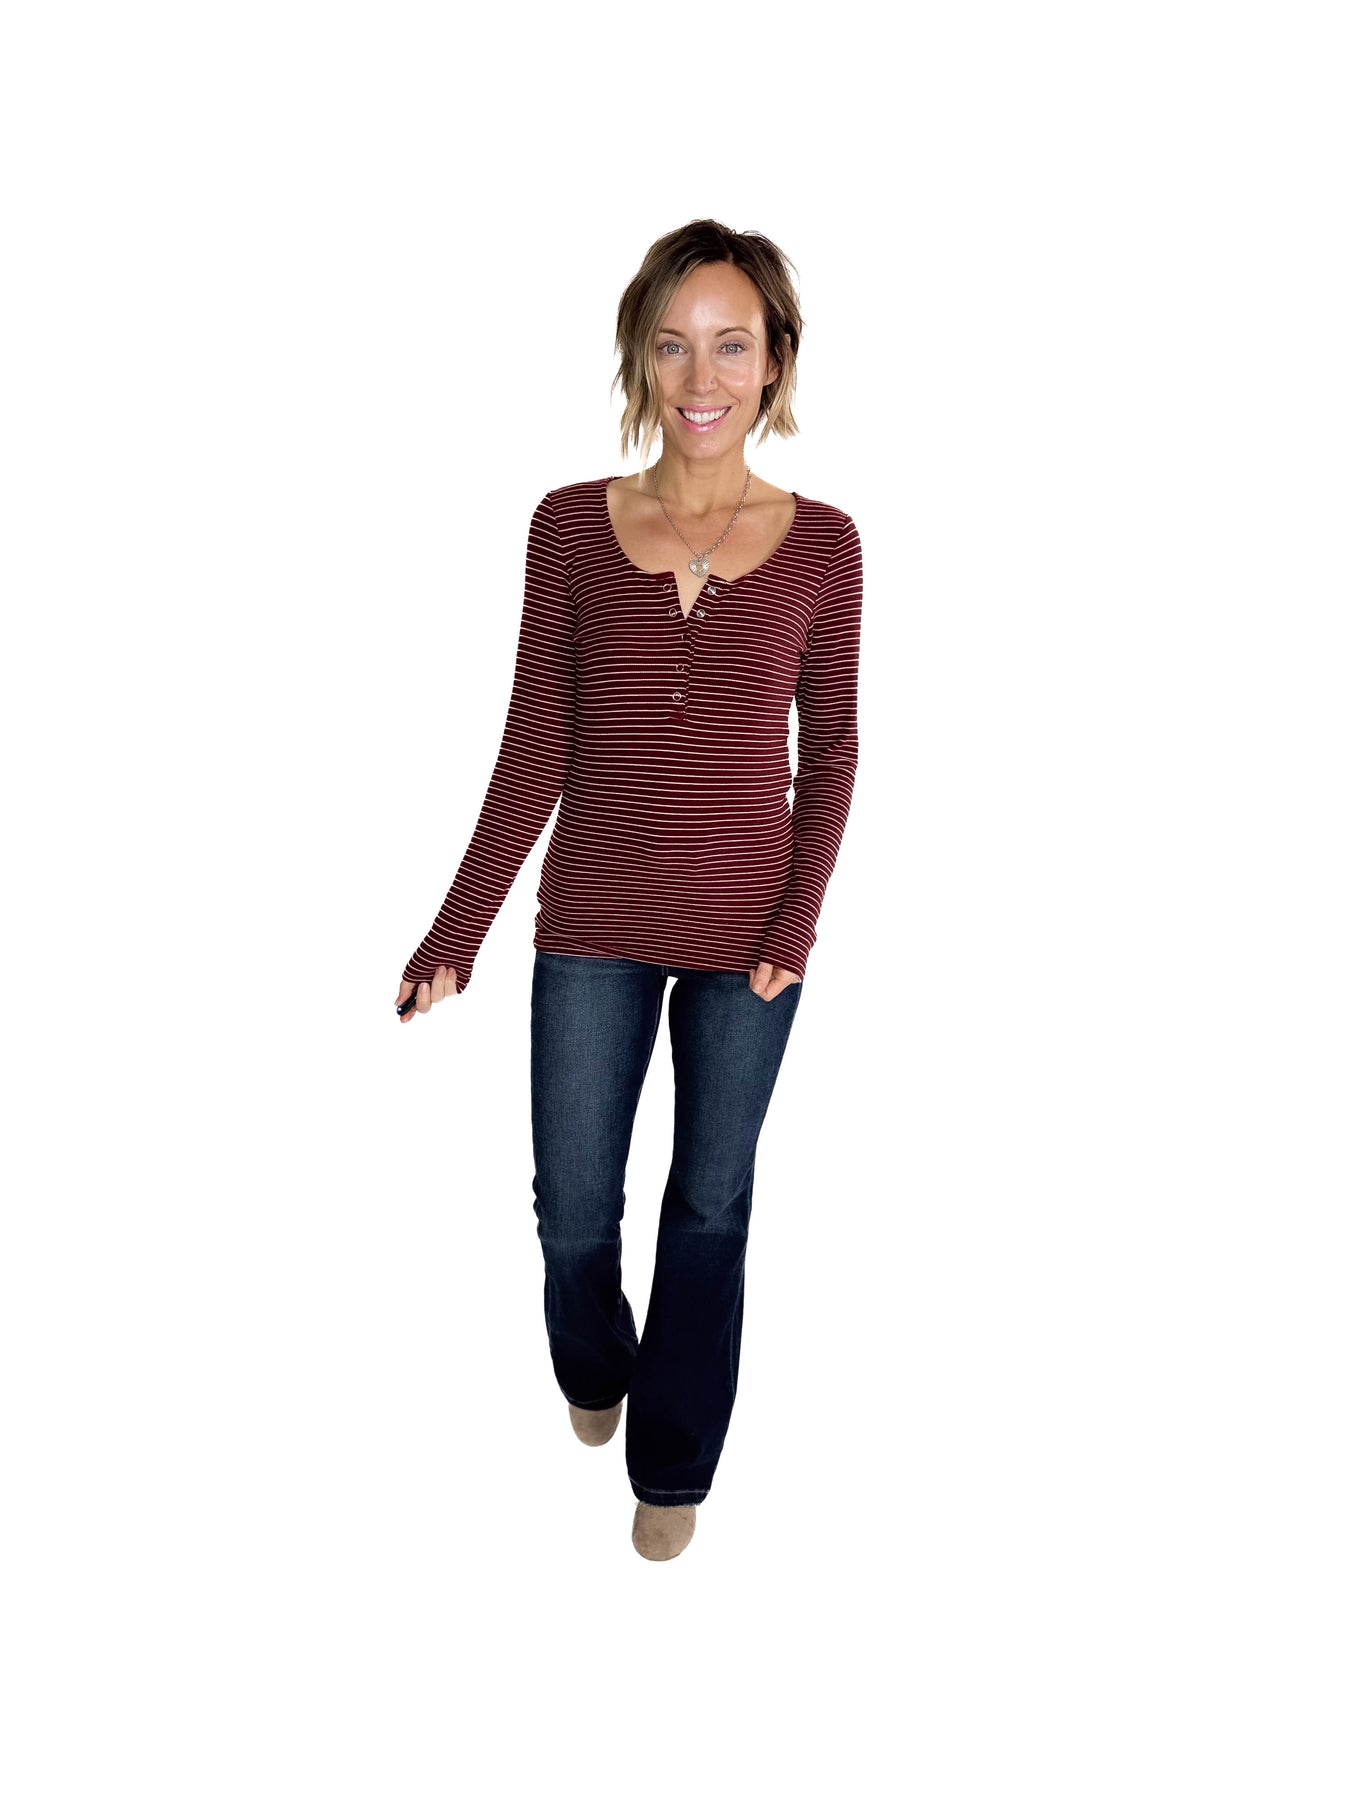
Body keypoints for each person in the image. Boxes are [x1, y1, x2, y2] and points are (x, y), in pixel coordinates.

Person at [395, 218, 863, 1561]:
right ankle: (595, 1360)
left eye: (731, 345)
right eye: (672, 346)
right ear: (639, 360)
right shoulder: (567, 526)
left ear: (775, 362)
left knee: (710, 1209)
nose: (700, 377)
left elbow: (831, 751)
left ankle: (673, 1461)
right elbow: (533, 742)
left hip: (748, 937)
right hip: (594, 921)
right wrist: (458, 929)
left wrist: (794, 929)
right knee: (574, 1214)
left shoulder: (826, 546)